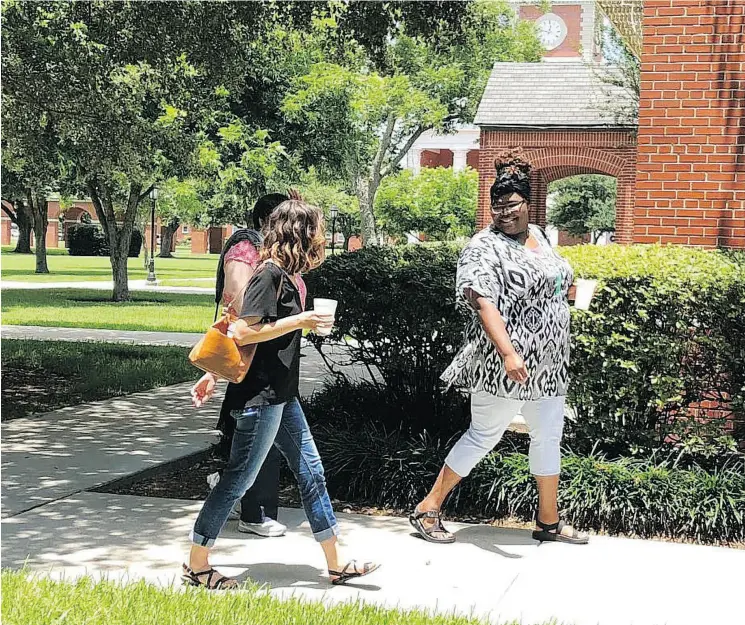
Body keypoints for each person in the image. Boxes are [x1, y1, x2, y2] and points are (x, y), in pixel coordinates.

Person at [183, 199, 380, 589]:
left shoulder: (287, 276)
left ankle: (336, 562)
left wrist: (300, 324)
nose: (320, 237)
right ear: (299, 233)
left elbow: (257, 332)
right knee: (239, 479)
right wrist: (301, 320)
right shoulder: (268, 274)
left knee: (312, 473)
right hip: (260, 397)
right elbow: (242, 331)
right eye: (315, 229)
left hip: (282, 395)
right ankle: (197, 563)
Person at [409, 151, 590, 546]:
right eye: (497, 206)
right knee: (484, 435)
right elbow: (481, 300)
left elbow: (550, 281)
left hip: (550, 364)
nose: (504, 212)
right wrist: (509, 352)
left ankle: (548, 522)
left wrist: (569, 293)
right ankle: (428, 507)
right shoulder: (482, 246)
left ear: (529, 204)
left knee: (547, 436)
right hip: (503, 363)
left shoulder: (539, 236)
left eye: (512, 205)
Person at [193, 192, 306, 539]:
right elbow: (238, 307)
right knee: (253, 452)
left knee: (299, 462)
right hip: (257, 365)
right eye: (287, 219)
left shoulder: (279, 259)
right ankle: (245, 514)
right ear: (267, 221)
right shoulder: (248, 250)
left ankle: (244, 502)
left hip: (276, 364)